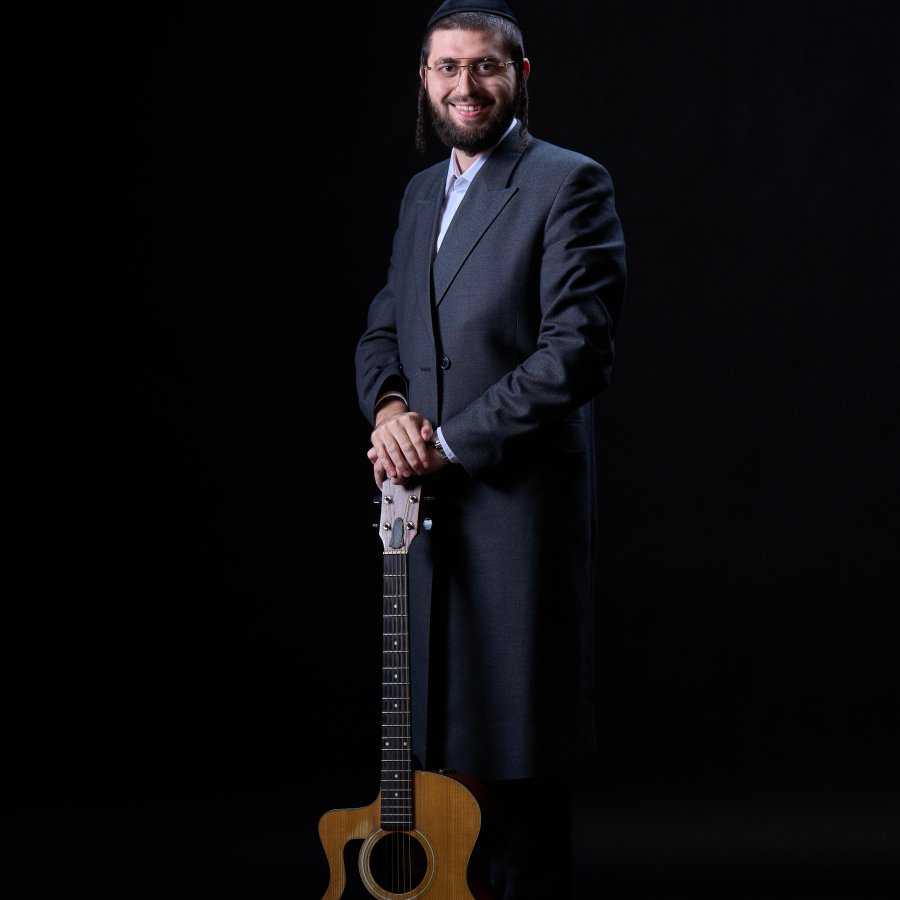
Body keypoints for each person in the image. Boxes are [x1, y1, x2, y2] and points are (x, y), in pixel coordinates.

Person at [354, 1, 627, 896]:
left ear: (520, 75)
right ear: (424, 80)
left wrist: (447, 443)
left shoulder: (567, 182)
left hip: (516, 515)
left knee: (516, 755)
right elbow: (385, 330)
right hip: (422, 520)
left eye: (485, 66)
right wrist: (390, 410)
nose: (465, 85)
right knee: (437, 744)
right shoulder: (419, 194)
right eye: (447, 67)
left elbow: (575, 353)